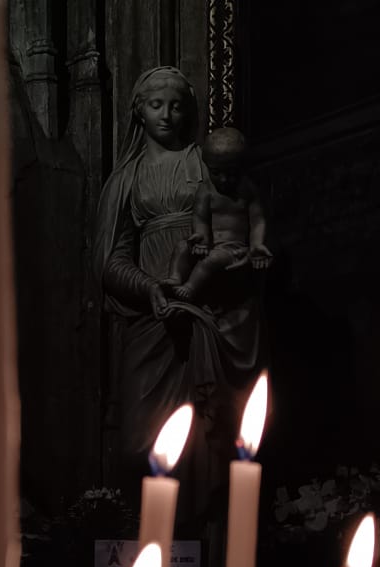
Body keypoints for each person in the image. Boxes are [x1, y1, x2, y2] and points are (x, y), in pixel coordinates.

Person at [94, 68, 264, 519]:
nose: (166, 115)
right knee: (137, 442)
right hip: (149, 318)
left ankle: (198, 553)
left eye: (176, 105)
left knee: (206, 444)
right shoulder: (125, 181)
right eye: (155, 105)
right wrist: (150, 288)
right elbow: (110, 261)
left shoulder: (208, 166)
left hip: (206, 312)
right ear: (138, 111)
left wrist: (237, 261)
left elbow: (240, 222)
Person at [163, 126, 272, 308]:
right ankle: (175, 277)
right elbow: (200, 217)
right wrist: (200, 237)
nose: (223, 179)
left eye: (231, 173)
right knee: (182, 247)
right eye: (216, 172)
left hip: (234, 250)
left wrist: (256, 244)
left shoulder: (247, 190)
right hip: (209, 245)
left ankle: (190, 288)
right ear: (207, 167)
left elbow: (258, 220)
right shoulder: (205, 190)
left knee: (212, 260)